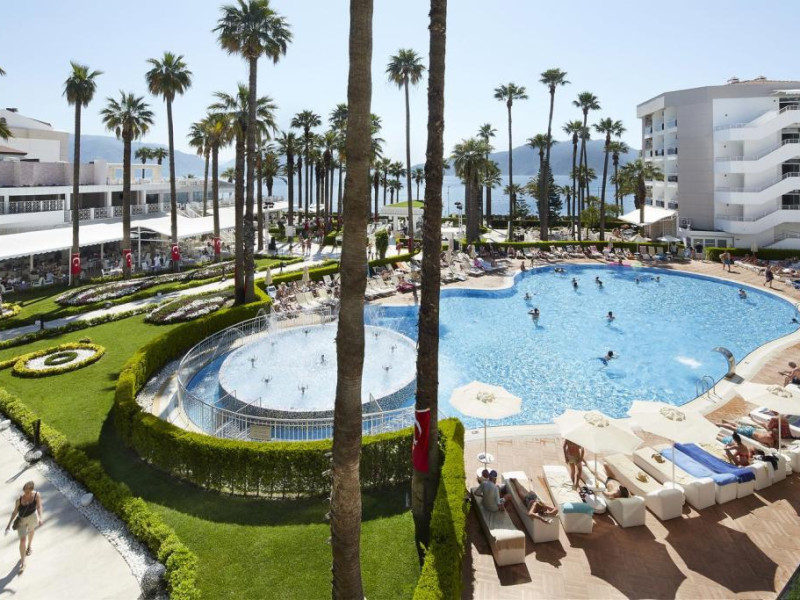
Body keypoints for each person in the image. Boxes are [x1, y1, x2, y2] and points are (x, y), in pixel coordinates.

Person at [5, 481, 43, 574]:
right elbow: (15, 512)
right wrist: (9, 524)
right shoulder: (19, 500)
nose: (25, 493)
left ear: (32, 490)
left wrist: (40, 517)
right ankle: (23, 562)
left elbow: (39, 506)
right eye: (24, 491)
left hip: (32, 517)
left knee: (31, 531)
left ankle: (29, 546)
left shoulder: (36, 495)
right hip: (21, 520)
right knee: (22, 540)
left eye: (27, 492)